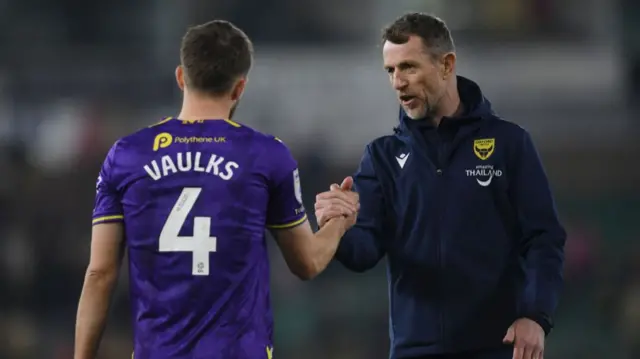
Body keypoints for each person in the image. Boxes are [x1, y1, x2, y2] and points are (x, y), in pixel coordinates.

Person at [74, 20, 359, 359]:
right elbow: (307, 263)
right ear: (240, 88)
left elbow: (100, 274)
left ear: (181, 77)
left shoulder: (127, 156)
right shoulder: (266, 155)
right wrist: (339, 220)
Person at [315, 13, 566, 359]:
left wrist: (536, 315)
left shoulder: (509, 144)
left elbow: (543, 238)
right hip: (414, 351)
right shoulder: (382, 157)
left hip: (498, 346)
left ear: (446, 65)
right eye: (391, 71)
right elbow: (364, 251)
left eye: (409, 67)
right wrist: (338, 225)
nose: (398, 83)